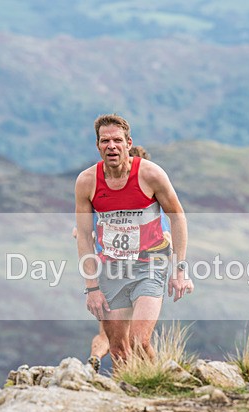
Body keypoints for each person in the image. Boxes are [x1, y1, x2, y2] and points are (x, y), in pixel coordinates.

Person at [75, 114, 194, 369]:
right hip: (111, 269)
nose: (111, 146)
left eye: (117, 140)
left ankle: (160, 384)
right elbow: (83, 235)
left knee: (139, 341)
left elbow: (177, 217)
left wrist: (179, 270)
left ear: (129, 143)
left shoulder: (151, 175)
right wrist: (92, 288)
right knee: (118, 350)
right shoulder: (86, 182)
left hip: (149, 265)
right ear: (97, 146)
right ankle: (132, 394)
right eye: (105, 141)